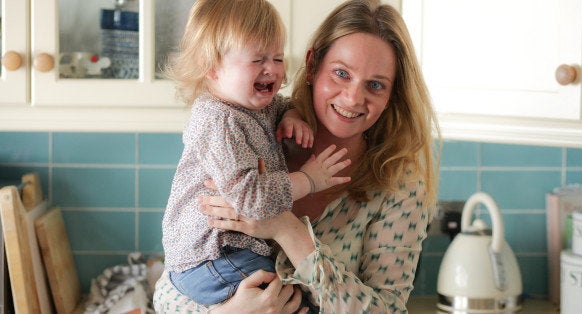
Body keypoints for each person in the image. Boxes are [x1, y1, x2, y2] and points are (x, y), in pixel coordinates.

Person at [153, 0, 440, 312]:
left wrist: (285, 229)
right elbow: (168, 290)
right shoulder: (248, 131)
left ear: (391, 96)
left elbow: (388, 310)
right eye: (341, 73)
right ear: (312, 65)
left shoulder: (399, 185)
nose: (354, 97)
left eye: (375, 85)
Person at [160, 0, 351, 310]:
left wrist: (291, 114)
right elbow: (250, 200)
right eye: (258, 59)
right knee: (301, 304)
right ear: (212, 66)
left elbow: (282, 104)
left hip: (224, 256)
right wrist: (309, 180)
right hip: (210, 259)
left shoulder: (253, 105)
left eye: (277, 57)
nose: (272, 69)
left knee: (296, 301)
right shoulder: (219, 120)